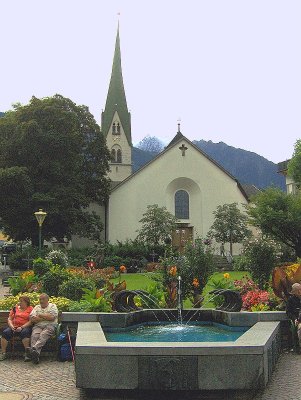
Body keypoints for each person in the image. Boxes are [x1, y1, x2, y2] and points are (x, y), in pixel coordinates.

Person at [26, 293, 58, 364]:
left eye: (43, 299)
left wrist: (40, 315)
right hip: (38, 326)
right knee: (35, 335)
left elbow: (52, 318)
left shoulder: (52, 306)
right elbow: (32, 319)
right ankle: (35, 356)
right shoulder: (37, 307)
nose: (41, 301)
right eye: (40, 299)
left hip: (50, 326)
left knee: (43, 335)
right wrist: (45, 317)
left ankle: (33, 349)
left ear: (48, 300)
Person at [0, 295, 33, 361]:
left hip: (25, 327)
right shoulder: (15, 308)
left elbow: (31, 321)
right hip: (14, 327)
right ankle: (3, 353)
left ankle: (27, 354)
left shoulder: (30, 309)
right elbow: (9, 319)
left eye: (21, 301)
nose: (19, 302)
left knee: (25, 333)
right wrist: (11, 326)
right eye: (19, 301)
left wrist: (22, 327)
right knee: (5, 333)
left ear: (26, 302)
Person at [286, 283, 301, 349]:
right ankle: (298, 347)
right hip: (296, 319)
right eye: (298, 290)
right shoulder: (291, 300)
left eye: (300, 289)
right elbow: (288, 312)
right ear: (294, 292)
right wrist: (294, 319)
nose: (300, 291)